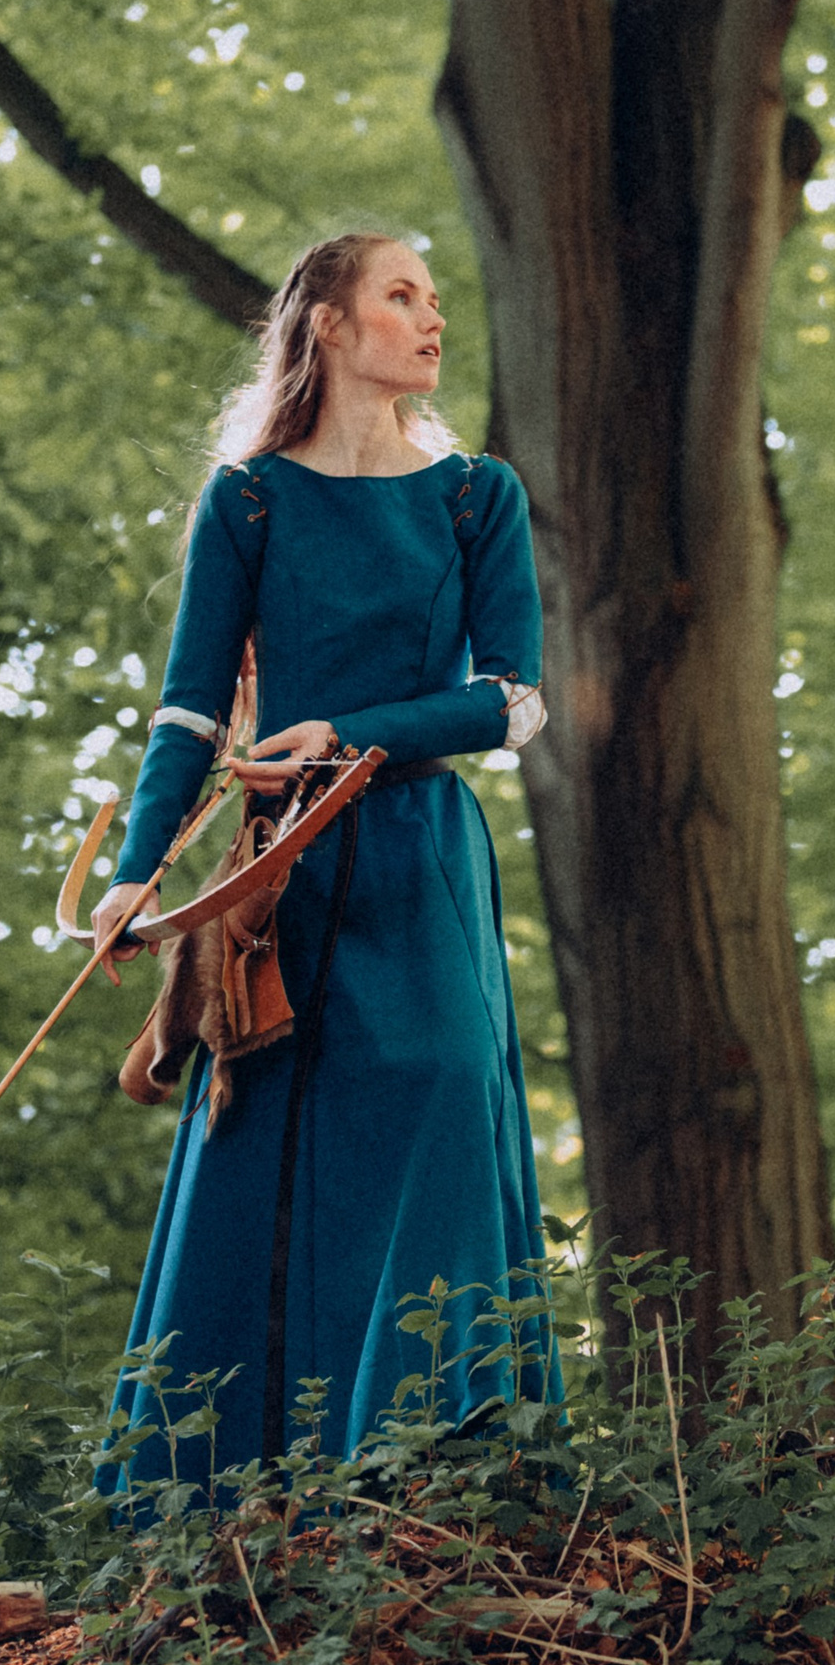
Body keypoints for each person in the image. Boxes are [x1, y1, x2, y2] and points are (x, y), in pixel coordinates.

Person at [90, 228, 553, 1498]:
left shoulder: (476, 494)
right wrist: (136, 873)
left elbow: (512, 703)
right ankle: (227, 1497)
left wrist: (350, 731)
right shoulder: (246, 500)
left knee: (446, 1096)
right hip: (275, 885)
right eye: (401, 294)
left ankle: (441, 1476)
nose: (430, 316)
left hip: (420, 859)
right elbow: (189, 710)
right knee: (268, 1145)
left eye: (436, 298)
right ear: (330, 327)